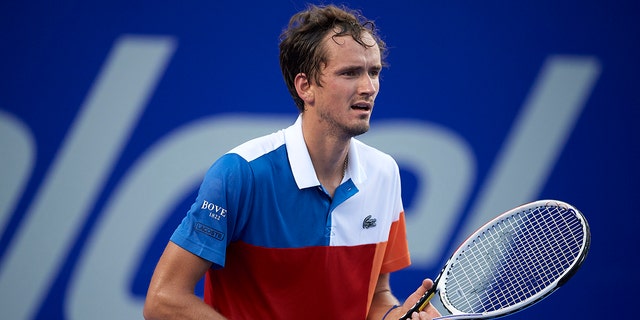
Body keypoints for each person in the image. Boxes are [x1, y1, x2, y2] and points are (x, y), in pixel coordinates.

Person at [143, 4, 441, 320]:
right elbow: (164, 299)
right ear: (305, 86)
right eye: (350, 73)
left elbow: (375, 297)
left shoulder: (385, 173)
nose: (368, 87)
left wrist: (399, 317)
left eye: (374, 72)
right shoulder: (241, 173)